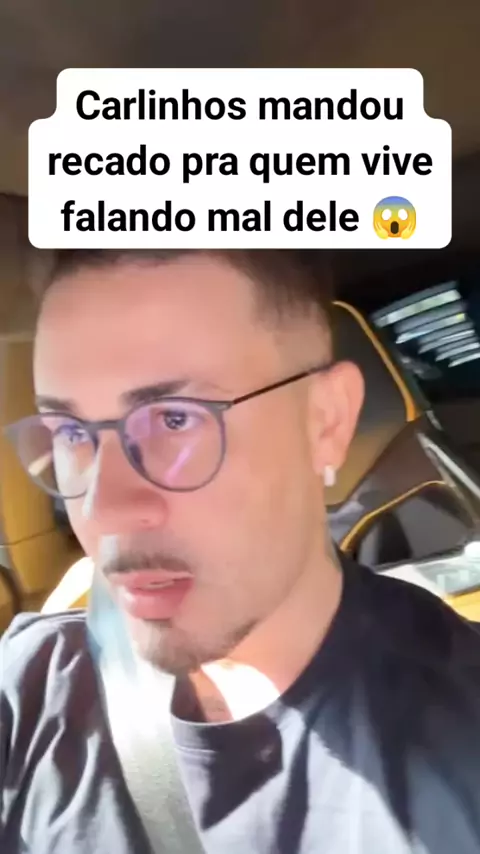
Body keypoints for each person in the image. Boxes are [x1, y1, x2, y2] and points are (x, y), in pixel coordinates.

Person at [2, 249, 480, 854]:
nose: (104, 509)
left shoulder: (461, 740)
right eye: (71, 434)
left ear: (326, 421)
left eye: (175, 420)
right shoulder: (27, 685)